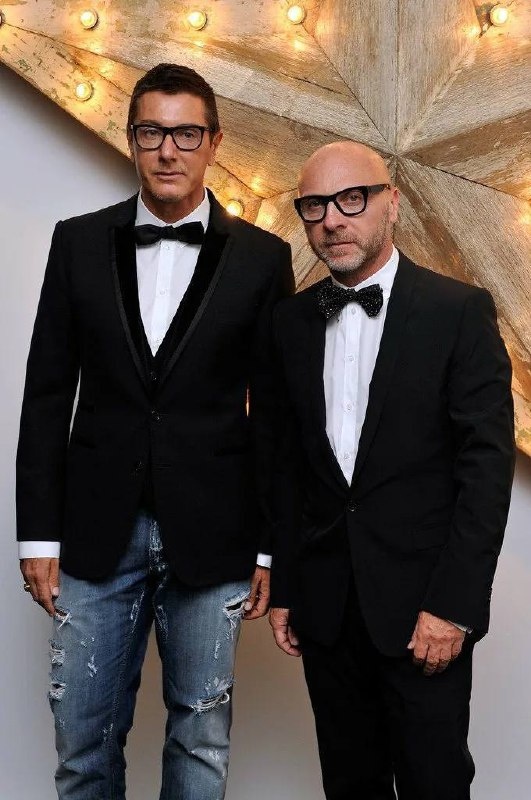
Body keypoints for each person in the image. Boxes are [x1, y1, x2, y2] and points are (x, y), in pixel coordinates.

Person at [17, 63, 293, 800]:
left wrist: (270, 545)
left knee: (200, 738)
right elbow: (47, 395)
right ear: (132, 139)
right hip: (94, 529)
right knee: (82, 738)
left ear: (214, 143)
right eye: (152, 133)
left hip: (217, 532)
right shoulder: (76, 242)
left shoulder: (264, 259)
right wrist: (37, 536)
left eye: (186, 134)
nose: (168, 150)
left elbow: (275, 416)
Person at [269, 140, 514, 800]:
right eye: (315, 205)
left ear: (392, 203)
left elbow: (485, 472)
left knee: (435, 785)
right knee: (349, 786)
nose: (332, 219)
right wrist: (288, 586)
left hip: (423, 612)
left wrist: (453, 607)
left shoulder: (457, 311)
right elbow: (286, 466)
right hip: (326, 611)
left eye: (352, 199)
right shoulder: (289, 323)